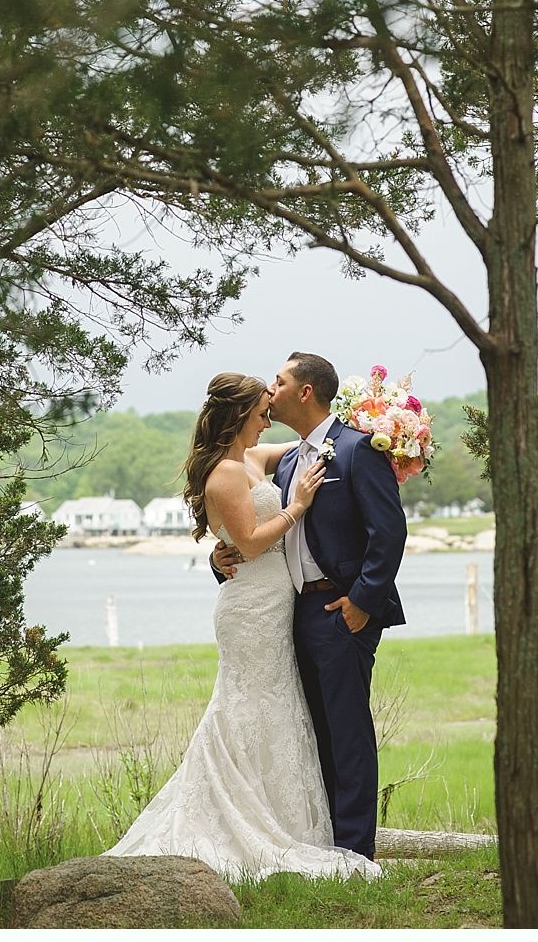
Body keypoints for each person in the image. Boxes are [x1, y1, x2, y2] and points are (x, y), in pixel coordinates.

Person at [104, 371, 380, 880]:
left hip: (280, 606)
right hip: (250, 610)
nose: (267, 414)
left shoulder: (255, 459)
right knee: (245, 706)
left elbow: (320, 438)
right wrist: (296, 506)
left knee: (280, 710)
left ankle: (286, 820)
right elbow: (250, 544)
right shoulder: (225, 473)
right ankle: (234, 818)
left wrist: (375, 423)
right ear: (239, 416)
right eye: (260, 411)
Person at [214, 352, 407, 863]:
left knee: (347, 732)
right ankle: (322, 842)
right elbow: (255, 532)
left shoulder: (356, 450)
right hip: (289, 612)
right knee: (310, 730)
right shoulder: (288, 459)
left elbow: (388, 533)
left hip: (340, 610)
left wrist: (362, 603)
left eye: (278, 382)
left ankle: (355, 852)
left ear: (304, 392)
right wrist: (222, 556)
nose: (269, 390)